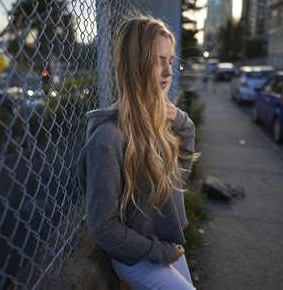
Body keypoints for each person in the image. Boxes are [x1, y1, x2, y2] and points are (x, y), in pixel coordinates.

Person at [79, 15, 199, 289]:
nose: (168, 73)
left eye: (170, 61)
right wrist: (161, 253)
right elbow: (103, 227)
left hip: (166, 245)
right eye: (158, 61)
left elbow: (178, 180)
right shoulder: (107, 140)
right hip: (137, 259)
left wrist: (185, 126)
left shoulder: (158, 122)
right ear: (135, 65)